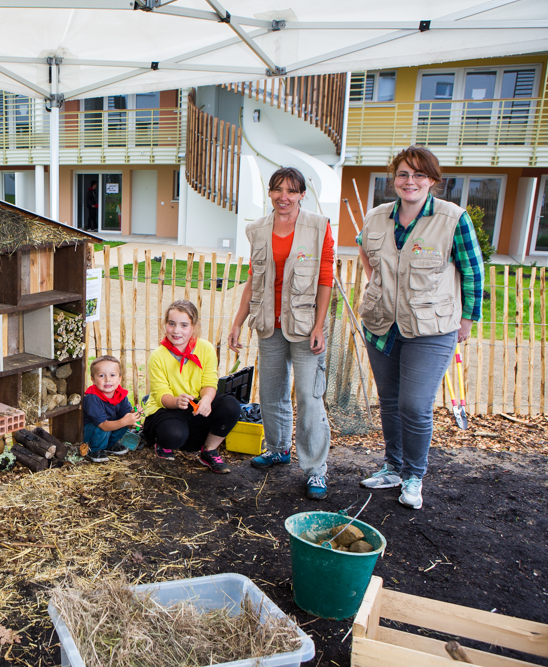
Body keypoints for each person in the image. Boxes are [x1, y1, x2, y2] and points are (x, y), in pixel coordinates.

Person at [357, 145, 483, 510]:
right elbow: (364, 249)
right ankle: (392, 467)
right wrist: (377, 285)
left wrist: (466, 320)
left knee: (415, 404)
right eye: (402, 174)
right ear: (393, 179)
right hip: (382, 324)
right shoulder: (378, 216)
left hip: (431, 328)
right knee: (391, 401)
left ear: (432, 180)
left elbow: (473, 270)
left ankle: (414, 474)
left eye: (418, 174)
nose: (409, 181)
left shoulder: (453, 219)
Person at [228, 167, 335, 500]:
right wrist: (236, 322)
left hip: (305, 327)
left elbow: (325, 279)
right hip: (268, 323)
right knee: (272, 392)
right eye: (277, 190)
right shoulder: (258, 230)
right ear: (270, 193)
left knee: (307, 395)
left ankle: (316, 470)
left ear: (302, 194)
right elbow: (253, 280)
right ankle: (277, 449)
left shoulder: (319, 227)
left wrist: (319, 326)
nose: (283, 197)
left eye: (291, 191)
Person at [142, 300, 242, 472]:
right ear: (165, 325)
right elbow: (161, 395)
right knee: (173, 435)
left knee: (231, 406)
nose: (176, 330)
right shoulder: (158, 356)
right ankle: (165, 442)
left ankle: (208, 450)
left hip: (194, 409)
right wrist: (176, 401)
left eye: (184, 325)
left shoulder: (206, 348)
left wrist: (206, 400)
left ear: (194, 327)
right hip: (167, 409)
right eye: (171, 324)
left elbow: (210, 382)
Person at [82, 355, 138, 463]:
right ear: (93, 380)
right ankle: (94, 450)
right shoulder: (92, 398)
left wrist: (134, 413)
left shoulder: (120, 395)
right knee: (102, 427)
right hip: (92, 432)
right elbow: (103, 425)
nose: (107, 379)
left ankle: (109, 445)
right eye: (102, 375)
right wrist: (124, 420)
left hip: (108, 428)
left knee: (124, 420)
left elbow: (126, 415)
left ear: (119, 379)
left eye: (112, 375)